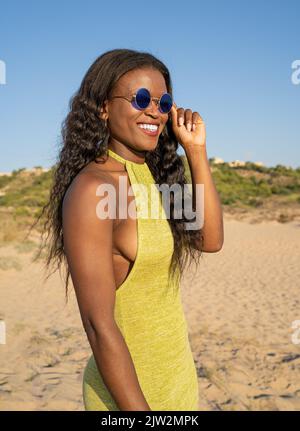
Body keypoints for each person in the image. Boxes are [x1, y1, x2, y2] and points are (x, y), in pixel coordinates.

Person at [36, 48, 224, 411]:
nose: (154, 110)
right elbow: (98, 325)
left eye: (163, 101)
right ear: (103, 108)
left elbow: (209, 240)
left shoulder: (157, 178)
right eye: (141, 99)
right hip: (128, 398)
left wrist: (196, 152)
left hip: (177, 381)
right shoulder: (93, 189)